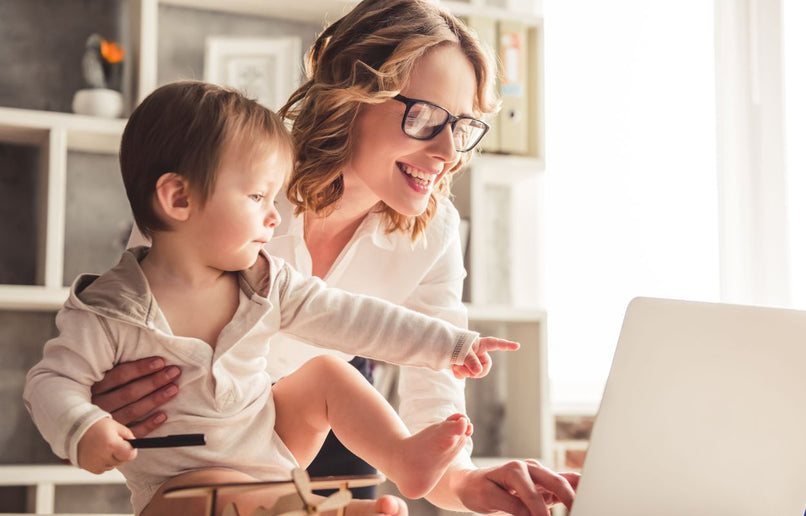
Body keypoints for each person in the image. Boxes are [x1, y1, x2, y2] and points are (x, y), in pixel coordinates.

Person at [92, 0, 580, 514]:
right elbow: (123, 337)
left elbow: (433, 399)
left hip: (323, 426)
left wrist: (466, 483)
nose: (447, 153)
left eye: (459, 127)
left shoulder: (433, 234)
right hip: (196, 441)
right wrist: (96, 397)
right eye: (426, 117)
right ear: (353, 96)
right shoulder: (238, 190)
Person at [23, 81, 519, 516]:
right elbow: (51, 381)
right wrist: (83, 427)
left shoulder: (265, 282)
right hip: (179, 490)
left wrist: (451, 345)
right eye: (258, 198)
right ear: (178, 199)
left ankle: (401, 456)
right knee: (206, 493)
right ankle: (320, 511)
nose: (274, 215)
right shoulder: (110, 309)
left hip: (273, 448)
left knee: (327, 370)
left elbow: (354, 317)